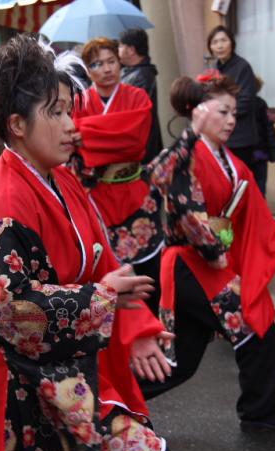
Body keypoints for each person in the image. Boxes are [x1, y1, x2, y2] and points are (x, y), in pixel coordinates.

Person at [0, 34, 198, 451]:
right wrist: (107, 297)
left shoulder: (58, 176)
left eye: (72, 111)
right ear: (17, 124)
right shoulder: (1, 204)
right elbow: (15, 311)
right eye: (58, 114)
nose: (73, 127)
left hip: (58, 368)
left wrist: (134, 326)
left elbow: (102, 260)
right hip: (19, 384)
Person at [141, 74, 275, 432]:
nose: (232, 120)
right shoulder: (185, 155)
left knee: (181, 362)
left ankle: (116, 402)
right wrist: (210, 246)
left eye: (234, 112)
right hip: (191, 260)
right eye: (223, 111)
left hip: (209, 261)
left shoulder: (232, 162)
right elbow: (163, 181)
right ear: (199, 111)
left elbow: (255, 214)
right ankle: (259, 411)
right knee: (251, 320)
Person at [71, 37, 164, 314]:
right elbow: (71, 132)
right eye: (97, 64)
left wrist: (86, 134)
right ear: (88, 71)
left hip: (134, 192)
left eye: (111, 61)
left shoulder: (138, 97)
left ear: (120, 62)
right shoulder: (79, 102)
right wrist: (105, 132)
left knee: (149, 270)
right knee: (102, 271)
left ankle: (153, 325)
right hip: (95, 196)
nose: (107, 69)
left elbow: (135, 138)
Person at [205, 26, 259, 172]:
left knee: (241, 181)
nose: (219, 46)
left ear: (232, 43)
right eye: (215, 42)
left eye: (223, 40)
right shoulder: (214, 69)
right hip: (220, 137)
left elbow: (245, 102)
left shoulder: (242, 67)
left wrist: (221, 114)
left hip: (240, 139)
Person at [118, 27, 162, 164]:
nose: (118, 50)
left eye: (120, 46)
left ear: (131, 50)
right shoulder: (133, 73)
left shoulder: (141, 76)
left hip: (142, 149)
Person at [250, 77, 275, 196]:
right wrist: (273, 153)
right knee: (260, 186)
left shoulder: (258, 104)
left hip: (250, 152)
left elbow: (269, 128)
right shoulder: (261, 103)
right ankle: (259, 212)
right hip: (260, 153)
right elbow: (270, 129)